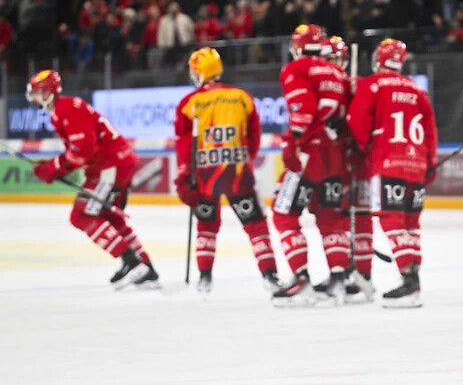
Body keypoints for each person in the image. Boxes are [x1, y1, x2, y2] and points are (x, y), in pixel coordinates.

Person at [26, 70, 159, 289]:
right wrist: (53, 167)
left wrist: (54, 168)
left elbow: (84, 149)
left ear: (49, 93)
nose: (35, 98)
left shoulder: (65, 109)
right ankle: (145, 266)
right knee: (110, 217)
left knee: (81, 215)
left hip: (109, 167)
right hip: (115, 163)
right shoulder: (64, 110)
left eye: (38, 93)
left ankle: (132, 262)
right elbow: (78, 151)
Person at [173, 47, 280, 294]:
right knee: (256, 225)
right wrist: (242, 160)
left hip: (204, 175)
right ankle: (269, 276)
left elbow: (183, 144)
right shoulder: (242, 97)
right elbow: (253, 138)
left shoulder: (189, 103)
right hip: (237, 173)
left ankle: (204, 278)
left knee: (206, 225)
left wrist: (184, 176)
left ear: (199, 73)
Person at [346, 38, 438, 308]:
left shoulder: (372, 84)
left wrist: (363, 148)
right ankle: (413, 277)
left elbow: (357, 123)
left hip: (388, 163)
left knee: (391, 220)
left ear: (378, 59)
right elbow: (430, 133)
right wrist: (429, 163)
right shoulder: (417, 91)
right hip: (417, 164)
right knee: (411, 223)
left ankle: (408, 281)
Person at [271, 24, 351, 307]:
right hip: (336, 156)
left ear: (296, 47)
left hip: (308, 153)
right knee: (331, 219)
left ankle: (301, 278)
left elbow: (302, 109)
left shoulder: (296, 69)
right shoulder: (339, 73)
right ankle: (338, 280)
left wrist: (293, 143)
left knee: (283, 212)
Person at [316, 35, 376, 303]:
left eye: (333, 59)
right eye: (326, 59)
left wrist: (352, 126)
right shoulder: (322, 87)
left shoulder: (358, 84)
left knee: (360, 215)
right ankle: (341, 270)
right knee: (337, 216)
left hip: (360, 159)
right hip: (335, 163)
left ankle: (363, 273)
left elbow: (369, 120)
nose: (330, 64)